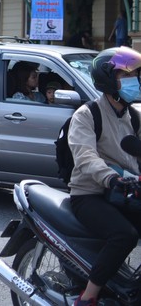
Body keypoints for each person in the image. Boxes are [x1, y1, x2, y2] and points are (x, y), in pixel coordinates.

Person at [67, 47, 141, 305]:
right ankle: (88, 297)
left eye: (136, 75)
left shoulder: (133, 117)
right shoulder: (87, 115)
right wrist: (111, 177)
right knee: (125, 235)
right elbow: (85, 157)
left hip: (125, 192)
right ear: (109, 79)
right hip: (91, 194)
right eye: (127, 76)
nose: (135, 81)